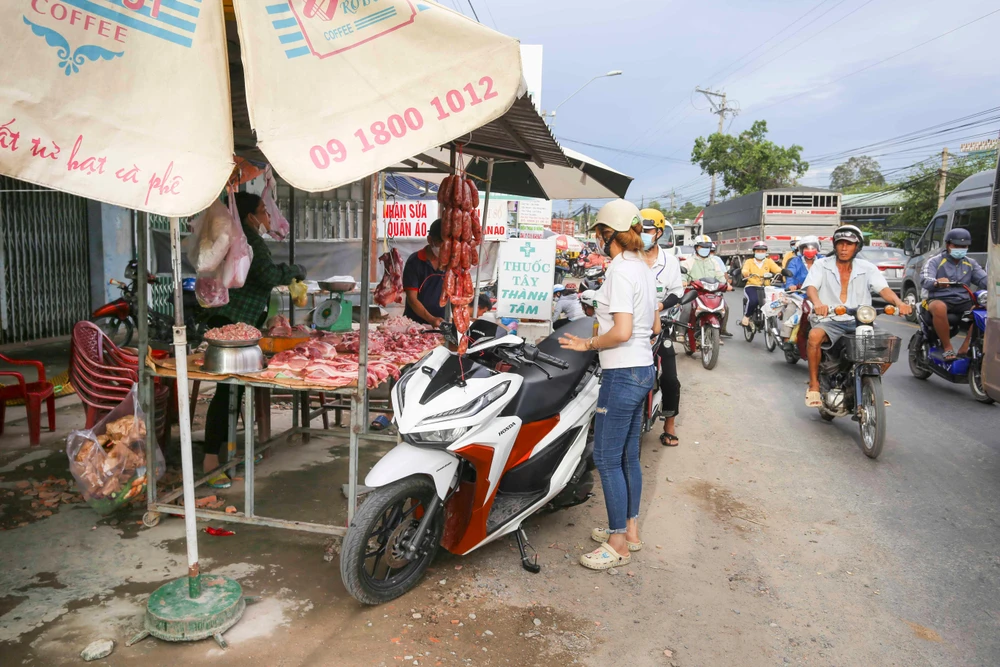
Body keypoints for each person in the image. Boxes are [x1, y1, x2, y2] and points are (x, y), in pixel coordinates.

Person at [559, 199, 658, 571]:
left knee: (605, 457)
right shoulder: (643, 266)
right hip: (643, 369)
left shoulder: (619, 271)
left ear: (607, 234)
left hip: (622, 372)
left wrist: (587, 343)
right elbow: (652, 327)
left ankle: (617, 543)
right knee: (628, 456)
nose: (598, 240)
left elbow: (622, 331)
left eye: (599, 233)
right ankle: (629, 531)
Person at [204, 192, 305, 488]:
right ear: (249, 216)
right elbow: (266, 274)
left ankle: (226, 451)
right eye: (263, 211)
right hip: (231, 322)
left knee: (236, 391)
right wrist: (295, 271)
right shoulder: (248, 238)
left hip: (237, 320)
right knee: (227, 393)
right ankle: (211, 461)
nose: (267, 217)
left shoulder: (241, 235)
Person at [803, 224, 911, 407]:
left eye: (849, 244)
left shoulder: (867, 267)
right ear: (835, 245)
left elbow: (883, 289)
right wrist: (818, 304)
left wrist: (900, 303)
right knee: (814, 337)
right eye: (841, 243)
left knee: (889, 345)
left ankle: (867, 384)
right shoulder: (821, 265)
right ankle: (814, 385)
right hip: (830, 320)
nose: (844, 248)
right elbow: (811, 287)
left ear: (857, 246)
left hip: (860, 321)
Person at [640, 212, 684, 446]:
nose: (642, 236)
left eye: (646, 231)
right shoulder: (628, 258)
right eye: (638, 231)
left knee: (670, 377)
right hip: (632, 326)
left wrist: (660, 305)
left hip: (661, 326)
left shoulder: (670, 262)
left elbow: (677, 292)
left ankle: (669, 424)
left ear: (658, 233)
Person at [919, 227, 988, 359]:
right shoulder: (935, 261)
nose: (960, 249)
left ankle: (966, 345)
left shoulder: (970, 263)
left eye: (964, 246)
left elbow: (985, 280)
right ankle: (947, 347)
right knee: (939, 307)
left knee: (984, 310)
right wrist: (937, 282)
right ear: (948, 245)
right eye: (957, 246)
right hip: (938, 299)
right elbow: (925, 279)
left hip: (963, 301)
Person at [402, 219, 446, 326]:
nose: (445, 249)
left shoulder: (450, 262)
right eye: (441, 243)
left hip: (441, 322)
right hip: (414, 324)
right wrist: (431, 319)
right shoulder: (415, 261)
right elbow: (412, 299)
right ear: (430, 240)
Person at [780, 235, 823, 341]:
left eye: (813, 248)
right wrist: (791, 285)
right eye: (806, 248)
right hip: (800, 296)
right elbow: (790, 274)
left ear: (817, 249)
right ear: (801, 249)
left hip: (820, 296)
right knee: (790, 310)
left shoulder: (823, 260)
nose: (810, 250)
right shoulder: (795, 261)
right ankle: (786, 338)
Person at [740, 241, 782, 328]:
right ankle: (746, 316)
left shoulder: (769, 261)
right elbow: (745, 270)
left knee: (773, 301)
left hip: (766, 287)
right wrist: (746, 273)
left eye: (762, 251)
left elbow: (777, 269)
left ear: (766, 252)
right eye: (758, 251)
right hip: (751, 286)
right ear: (754, 252)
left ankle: (776, 316)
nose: (760, 253)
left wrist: (783, 272)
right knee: (753, 300)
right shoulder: (749, 261)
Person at [709, 242, 734, 337]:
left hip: (715, 289)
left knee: (725, 308)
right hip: (700, 290)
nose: (710, 253)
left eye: (711, 251)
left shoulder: (716, 260)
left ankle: (722, 329)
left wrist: (726, 284)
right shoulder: (694, 260)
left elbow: (723, 274)